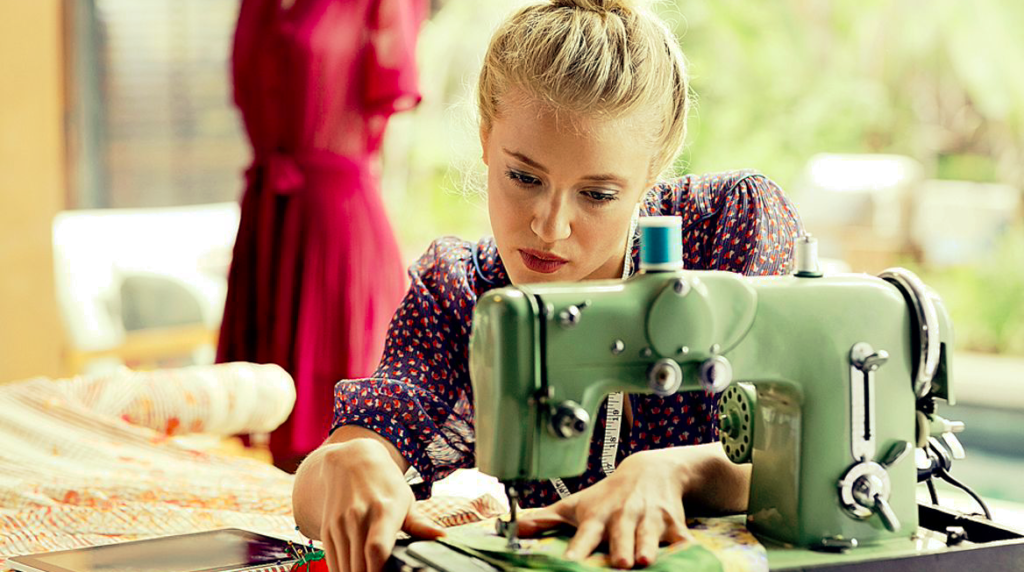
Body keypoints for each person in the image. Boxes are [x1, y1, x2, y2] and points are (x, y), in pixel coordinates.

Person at [292, 0, 804, 570]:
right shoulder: (460, 294)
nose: (549, 226)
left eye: (598, 194)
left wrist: (675, 470)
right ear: (486, 139)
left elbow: (801, 454)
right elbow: (322, 487)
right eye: (524, 177)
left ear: (653, 171)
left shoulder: (728, 230)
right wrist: (347, 463)